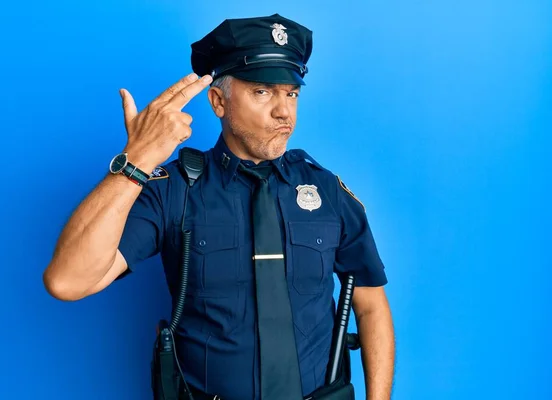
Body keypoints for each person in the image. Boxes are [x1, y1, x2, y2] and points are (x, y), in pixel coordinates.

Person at [43, 13, 395, 400]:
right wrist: (136, 161)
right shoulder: (175, 190)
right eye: (263, 91)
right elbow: (67, 281)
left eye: (291, 93)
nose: (284, 111)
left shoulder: (325, 190)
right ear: (218, 101)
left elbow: (371, 304)